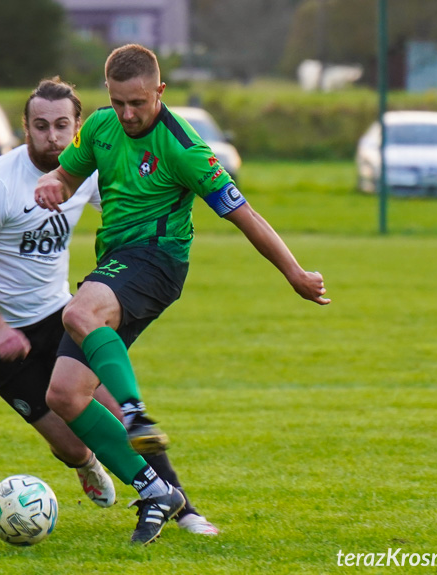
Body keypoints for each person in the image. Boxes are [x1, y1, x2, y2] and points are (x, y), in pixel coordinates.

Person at [35, 44, 331, 545]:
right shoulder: (102, 127)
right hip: (115, 262)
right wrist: (53, 185)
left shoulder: (185, 148)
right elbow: (66, 174)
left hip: (159, 261)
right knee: (63, 394)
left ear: (160, 92)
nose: (128, 114)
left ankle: (133, 413)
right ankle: (156, 490)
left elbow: (246, 216)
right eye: (119, 102)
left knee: (78, 312)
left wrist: (295, 273)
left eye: (139, 103)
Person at [0, 77, 213, 532]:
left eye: (61, 125)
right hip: (0, 337)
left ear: (78, 128)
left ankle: (184, 509)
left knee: (123, 410)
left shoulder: (87, 170)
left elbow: (127, 202)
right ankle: (87, 463)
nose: (51, 135)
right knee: (71, 445)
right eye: (40, 125)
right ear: (25, 128)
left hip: (60, 315)